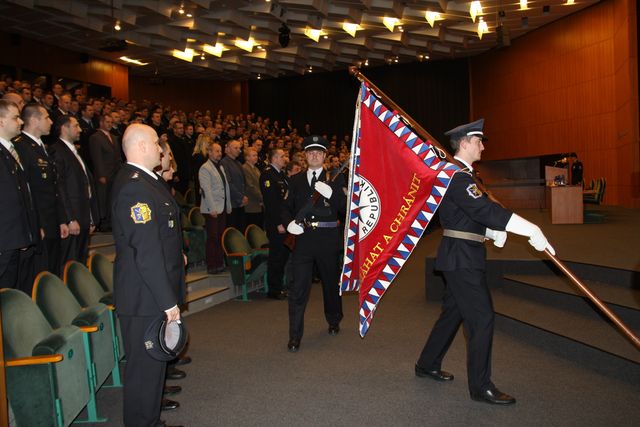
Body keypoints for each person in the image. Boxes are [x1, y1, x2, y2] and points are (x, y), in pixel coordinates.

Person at [415, 118, 555, 405]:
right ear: (464, 143)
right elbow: (483, 209)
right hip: (462, 257)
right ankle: (480, 387)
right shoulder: (457, 175)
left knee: (453, 314)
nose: (482, 146)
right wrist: (531, 229)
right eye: (479, 141)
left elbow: (467, 214)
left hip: (461, 252)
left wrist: (491, 231)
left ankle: (426, 363)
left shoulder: (461, 174)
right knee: (482, 318)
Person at [111, 123, 185, 427]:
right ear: (141, 146)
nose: (160, 148)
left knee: (153, 371)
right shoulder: (134, 186)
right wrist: (169, 303)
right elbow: (146, 251)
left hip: (150, 293)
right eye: (156, 143)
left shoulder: (147, 181)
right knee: (143, 376)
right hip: (145, 297)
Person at [282, 135, 346, 352]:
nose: (315, 155)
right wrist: (289, 223)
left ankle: (334, 318)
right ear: (305, 156)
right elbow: (284, 207)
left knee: (330, 284)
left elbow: (345, 207)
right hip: (303, 240)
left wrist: (334, 195)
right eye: (311, 152)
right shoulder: (295, 180)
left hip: (327, 240)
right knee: (298, 288)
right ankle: (294, 335)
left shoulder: (336, 179)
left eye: (319, 152)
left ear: (325, 156)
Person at [13, 104, 69, 277]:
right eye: (46, 117)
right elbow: (27, 191)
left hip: (51, 220)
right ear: (35, 120)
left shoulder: (41, 146)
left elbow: (53, 188)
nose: (51, 122)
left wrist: (61, 219)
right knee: (39, 274)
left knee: (53, 271)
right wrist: (35, 224)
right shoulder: (21, 146)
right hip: (40, 222)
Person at [49, 115, 98, 268]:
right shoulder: (57, 151)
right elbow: (60, 188)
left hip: (83, 215)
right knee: (69, 263)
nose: (80, 129)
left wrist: (91, 217)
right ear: (64, 128)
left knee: (80, 262)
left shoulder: (75, 152)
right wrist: (69, 219)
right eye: (76, 126)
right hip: (73, 218)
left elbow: (86, 186)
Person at [0, 99, 38, 293]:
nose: (21, 122)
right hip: (4, 241)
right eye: (15, 117)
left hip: (15, 238)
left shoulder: (11, 151)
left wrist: (26, 234)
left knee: (12, 295)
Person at [259, 148, 289, 300]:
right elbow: (271, 203)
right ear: (275, 158)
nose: (285, 158)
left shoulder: (281, 174)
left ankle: (279, 286)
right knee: (276, 256)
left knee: (282, 255)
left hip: (284, 221)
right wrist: (278, 223)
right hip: (275, 223)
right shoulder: (267, 174)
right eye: (283, 156)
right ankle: (274, 289)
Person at [199, 140, 231, 274]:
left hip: (221, 207)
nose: (220, 153)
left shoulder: (220, 167)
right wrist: (212, 208)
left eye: (220, 151)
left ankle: (219, 262)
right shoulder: (205, 168)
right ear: (209, 152)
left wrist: (228, 205)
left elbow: (225, 187)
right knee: (213, 237)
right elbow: (206, 190)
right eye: (217, 151)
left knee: (219, 236)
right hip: (212, 209)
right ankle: (212, 265)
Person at [89, 113, 123, 231]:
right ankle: (102, 223)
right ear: (101, 123)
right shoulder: (96, 137)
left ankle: (110, 221)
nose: (109, 124)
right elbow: (96, 157)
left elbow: (118, 156)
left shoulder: (114, 137)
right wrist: (101, 174)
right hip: (104, 174)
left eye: (111, 122)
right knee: (102, 199)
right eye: (107, 122)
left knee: (112, 198)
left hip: (115, 172)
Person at [220, 139, 247, 231]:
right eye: (235, 148)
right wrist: (240, 197)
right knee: (233, 230)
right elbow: (228, 183)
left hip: (240, 202)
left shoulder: (238, 163)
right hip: (232, 203)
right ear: (227, 149)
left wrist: (243, 196)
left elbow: (243, 182)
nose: (238, 150)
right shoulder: (224, 163)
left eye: (239, 148)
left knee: (241, 229)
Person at [242, 147, 263, 227]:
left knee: (258, 226)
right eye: (253, 155)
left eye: (256, 155)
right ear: (247, 157)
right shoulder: (245, 168)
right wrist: (262, 197)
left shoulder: (256, 168)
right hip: (251, 203)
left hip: (258, 203)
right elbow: (250, 186)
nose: (256, 157)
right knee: (252, 228)